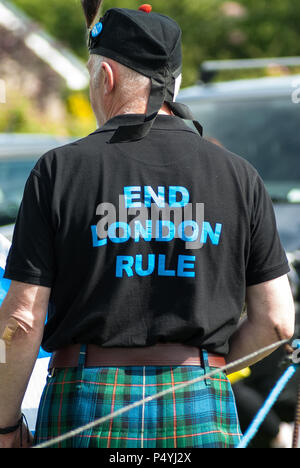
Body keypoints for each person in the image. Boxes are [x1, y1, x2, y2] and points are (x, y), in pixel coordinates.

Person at [0, 3, 295, 449]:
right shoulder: (239, 175)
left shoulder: (59, 170)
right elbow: (276, 321)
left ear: (106, 78)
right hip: (200, 401)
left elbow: (22, 318)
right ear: (172, 83)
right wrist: (209, 369)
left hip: (86, 402)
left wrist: (3, 425)